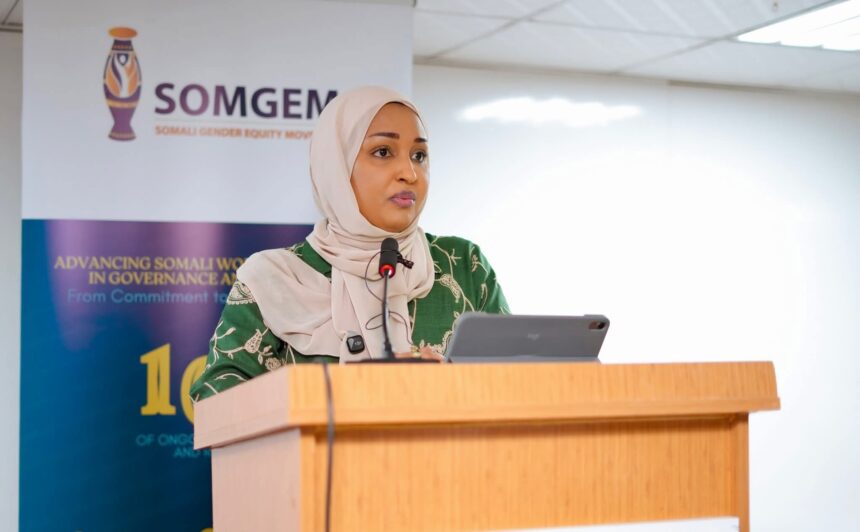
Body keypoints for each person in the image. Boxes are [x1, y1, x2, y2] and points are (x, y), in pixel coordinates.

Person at [190, 86, 509, 402]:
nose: (409, 173)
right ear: (336, 166)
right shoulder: (274, 278)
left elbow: (520, 382)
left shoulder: (464, 265)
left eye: (419, 156)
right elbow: (214, 402)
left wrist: (453, 385)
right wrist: (348, 394)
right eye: (383, 152)